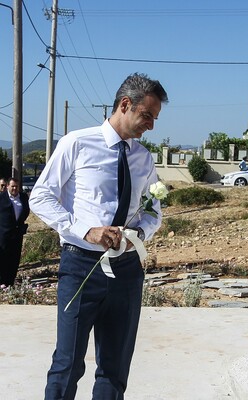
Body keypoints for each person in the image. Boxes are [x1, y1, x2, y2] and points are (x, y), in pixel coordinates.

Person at [30, 73, 168, 399]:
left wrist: (136, 233)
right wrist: (87, 231)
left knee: (115, 368)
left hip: (127, 272)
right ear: (125, 104)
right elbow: (41, 197)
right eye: (146, 115)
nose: (151, 125)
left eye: (155, 118)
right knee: (67, 365)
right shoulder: (77, 143)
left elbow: (153, 211)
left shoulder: (143, 158)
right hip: (80, 269)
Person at [0, 177, 30, 286]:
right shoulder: (1, 198)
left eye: (16, 186)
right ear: (7, 186)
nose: (14, 188)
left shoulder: (23, 197)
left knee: (14, 258)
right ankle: (2, 282)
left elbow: (26, 211)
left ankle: (10, 281)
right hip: (3, 234)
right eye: (12, 186)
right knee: (3, 258)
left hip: (17, 234)